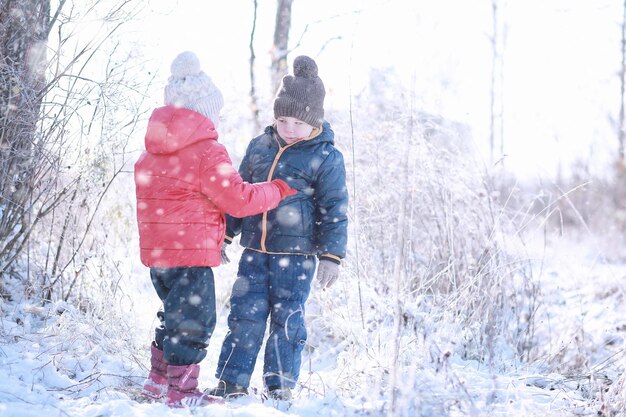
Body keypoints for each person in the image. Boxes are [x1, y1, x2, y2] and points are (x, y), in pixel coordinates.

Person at [134, 51, 296, 408]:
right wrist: (276, 190)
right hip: (190, 254)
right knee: (195, 321)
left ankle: (158, 380)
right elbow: (238, 199)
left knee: (173, 315)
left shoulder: (151, 152)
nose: (218, 119)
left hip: (160, 256)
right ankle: (183, 391)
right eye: (216, 112)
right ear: (203, 112)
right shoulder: (207, 152)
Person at [209, 55, 348, 401]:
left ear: (314, 122)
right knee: (244, 317)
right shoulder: (260, 147)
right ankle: (232, 382)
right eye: (282, 118)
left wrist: (331, 256)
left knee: (288, 324)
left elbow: (334, 209)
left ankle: (279, 387)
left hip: (297, 258)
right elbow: (240, 193)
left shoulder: (326, 157)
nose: (288, 127)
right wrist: (226, 234)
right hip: (254, 253)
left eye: (297, 122)